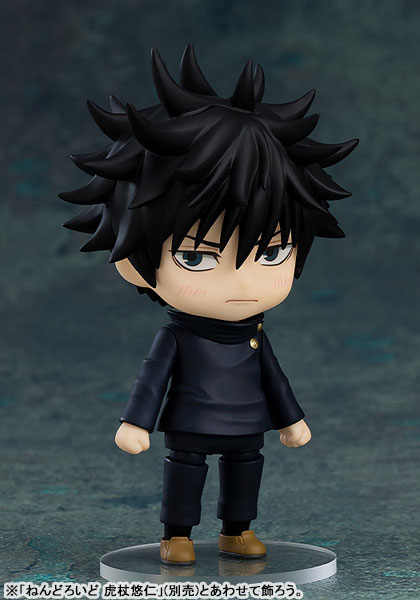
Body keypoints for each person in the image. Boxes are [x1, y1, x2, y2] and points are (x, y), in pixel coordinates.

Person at [60, 44, 357, 566]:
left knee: (246, 468)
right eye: (197, 257)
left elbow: (273, 376)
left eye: (271, 253)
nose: (243, 280)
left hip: (248, 421)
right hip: (191, 420)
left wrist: (290, 419)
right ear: (132, 263)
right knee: (186, 469)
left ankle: (237, 531)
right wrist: (135, 423)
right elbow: (152, 378)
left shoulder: (254, 333)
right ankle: (176, 534)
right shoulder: (177, 336)